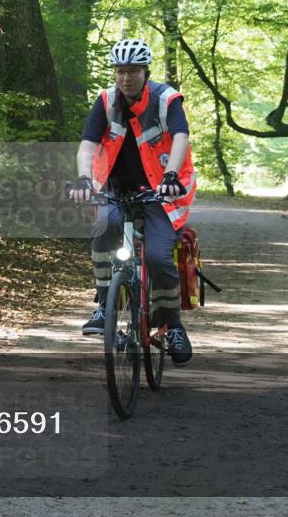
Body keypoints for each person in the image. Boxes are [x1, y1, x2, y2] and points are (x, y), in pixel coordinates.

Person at [68, 38, 197, 365]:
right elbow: (87, 143)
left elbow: (181, 136)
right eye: (120, 71)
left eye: (133, 71)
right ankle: (102, 304)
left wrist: (171, 176)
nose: (126, 77)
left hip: (161, 192)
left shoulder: (166, 99)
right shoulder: (106, 101)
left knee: (156, 255)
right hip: (115, 188)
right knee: (103, 225)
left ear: (145, 71)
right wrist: (84, 178)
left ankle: (172, 324)